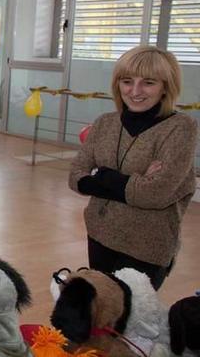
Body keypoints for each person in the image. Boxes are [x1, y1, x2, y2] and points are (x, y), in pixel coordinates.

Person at [69, 45, 197, 290]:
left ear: (165, 87)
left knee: (133, 320)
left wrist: (101, 176)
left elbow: (155, 193)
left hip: (147, 245)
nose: (135, 91)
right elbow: (76, 177)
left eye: (148, 83)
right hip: (100, 233)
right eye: (127, 81)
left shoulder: (181, 128)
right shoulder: (105, 123)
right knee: (103, 314)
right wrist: (133, 180)